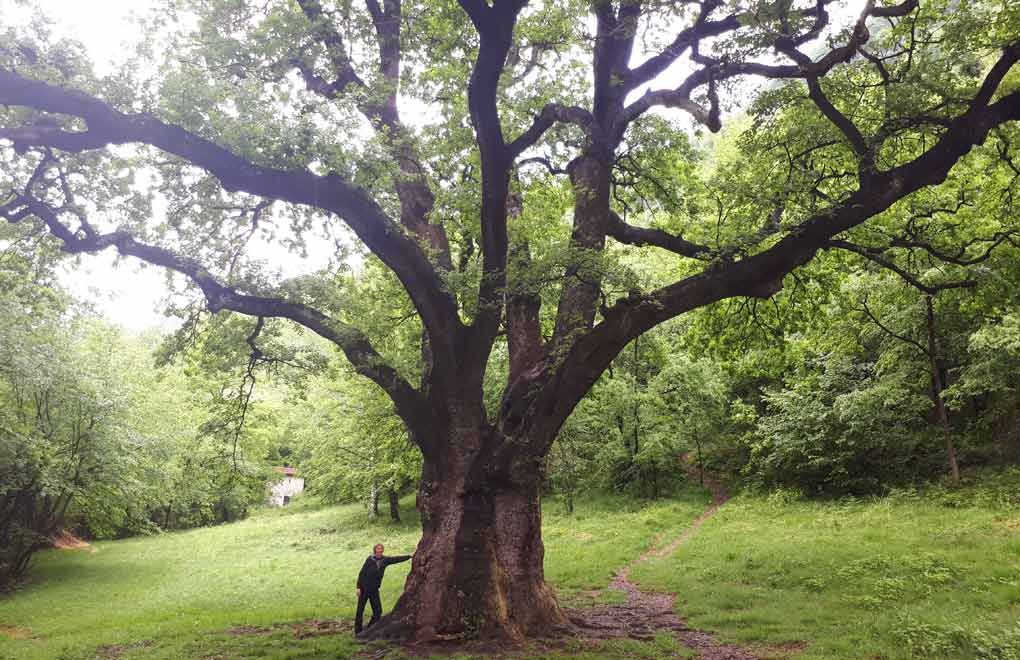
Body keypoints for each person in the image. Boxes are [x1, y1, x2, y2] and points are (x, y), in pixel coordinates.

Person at [354, 543, 411, 635]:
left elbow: (395, 559)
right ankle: (358, 630)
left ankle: (369, 628)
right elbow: (362, 573)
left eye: (381, 549)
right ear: (375, 550)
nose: (380, 550)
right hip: (364, 588)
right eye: (378, 549)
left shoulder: (385, 560)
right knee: (360, 610)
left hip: (374, 590)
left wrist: (409, 556)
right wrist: (358, 587)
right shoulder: (370, 559)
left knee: (378, 611)